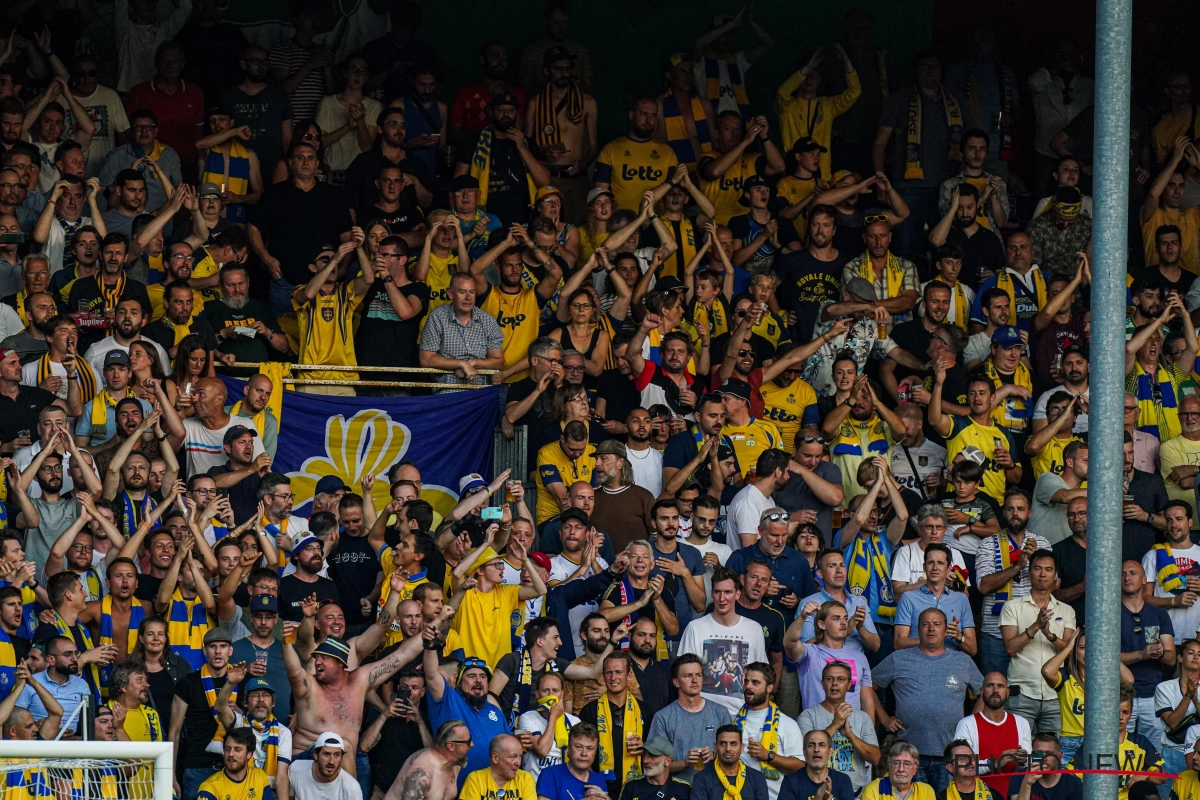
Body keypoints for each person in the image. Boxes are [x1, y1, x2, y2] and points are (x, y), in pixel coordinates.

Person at [872, 51, 966, 266]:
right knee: (906, 250)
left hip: (947, 186)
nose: (930, 71)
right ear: (916, 71)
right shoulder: (900, 98)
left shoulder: (955, 100)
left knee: (946, 251)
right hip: (908, 187)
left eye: (935, 66)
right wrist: (880, 180)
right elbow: (879, 143)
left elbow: (972, 142)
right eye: (925, 66)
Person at [796, 662, 879, 796]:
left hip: (854, 794)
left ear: (849, 684)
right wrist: (834, 725)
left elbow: (875, 758)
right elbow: (804, 755)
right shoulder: (808, 716)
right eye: (830, 679)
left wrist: (850, 735)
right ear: (822, 683)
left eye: (841, 679)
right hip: (816, 795)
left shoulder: (862, 718)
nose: (835, 683)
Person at [1121, 559, 1177, 748]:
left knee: (1152, 754)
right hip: (1119, 695)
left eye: (1132, 573)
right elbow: (1102, 659)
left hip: (1152, 694)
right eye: (1122, 574)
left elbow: (1171, 658)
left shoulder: (1159, 614)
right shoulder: (1108, 612)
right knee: (1117, 749)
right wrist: (1141, 654)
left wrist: (1160, 653)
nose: (1127, 577)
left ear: (1145, 580)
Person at [1142, 501, 1200, 647]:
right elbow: (1143, 599)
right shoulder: (1152, 555)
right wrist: (1174, 602)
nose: (1174, 525)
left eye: (1179, 519)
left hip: (1197, 640)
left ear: (1190, 522)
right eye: (1169, 520)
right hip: (1164, 639)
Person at [1141, 138, 1200, 276]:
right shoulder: (1153, 215)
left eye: (1181, 186)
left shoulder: (1191, 215)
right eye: (1171, 185)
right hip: (1157, 289)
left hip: (1190, 290)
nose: (1177, 191)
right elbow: (1153, 196)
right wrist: (1176, 159)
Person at [928, 188, 1006, 288]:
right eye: (960, 208)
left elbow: (1002, 270)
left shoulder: (989, 236)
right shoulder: (947, 231)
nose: (965, 214)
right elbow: (936, 241)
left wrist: (994, 276)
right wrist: (952, 208)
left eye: (970, 207)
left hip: (981, 296)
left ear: (977, 206)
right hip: (949, 296)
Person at [382, 720, 473, 800]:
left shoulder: (455, 764)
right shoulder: (421, 774)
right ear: (451, 746)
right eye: (468, 742)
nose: (472, 744)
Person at [690, 725, 771, 800]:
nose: (728, 748)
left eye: (733, 744)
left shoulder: (757, 778)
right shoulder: (702, 778)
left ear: (741, 748)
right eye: (723, 744)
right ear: (716, 747)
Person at [534, 721, 608, 800]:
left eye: (589, 748)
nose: (584, 753)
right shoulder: (550, 774)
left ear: (595, 752)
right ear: (568, 748)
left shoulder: (599, 779)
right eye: (579, 747)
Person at [197, 726, 276, 800]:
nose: (231, 754)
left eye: (237, 749)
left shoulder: (259, 776)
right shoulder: (209, 788)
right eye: (227, 749)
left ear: (249, 754)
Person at [1008, 732, 1083, 800]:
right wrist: (1027, 784)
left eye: (1048, 753)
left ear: (1059, 756)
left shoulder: (1073, 785)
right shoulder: (1019, 776)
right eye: (1039, 753)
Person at [460, 734, 537, 800]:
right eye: (513, 757)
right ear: (495, 758)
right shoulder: (475, 779)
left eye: (520, 756)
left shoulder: (525, 779)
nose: (518, 763)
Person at [289, 731, 363, 800]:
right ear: (315, 755)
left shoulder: (352, 788)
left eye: (337, 755)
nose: (331, 761)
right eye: (326, 754)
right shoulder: (296, 769)